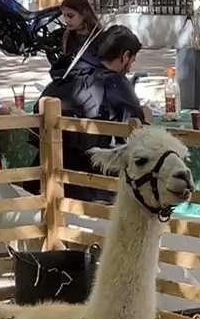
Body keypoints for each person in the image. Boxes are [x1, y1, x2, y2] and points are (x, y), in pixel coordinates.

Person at [40, 25, 148, 202]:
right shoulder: (116, 83)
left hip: (53, 179)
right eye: (132, 61)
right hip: (96, 186)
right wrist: (146, 117)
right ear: (125, 56)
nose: (130, 68)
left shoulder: (70, 73)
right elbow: (137, 132)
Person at [48, 0, 103, 83]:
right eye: (64, 16)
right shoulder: (68, 35)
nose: (66, 20)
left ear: (84, 14)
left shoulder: (98, 36)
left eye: (70, 16)